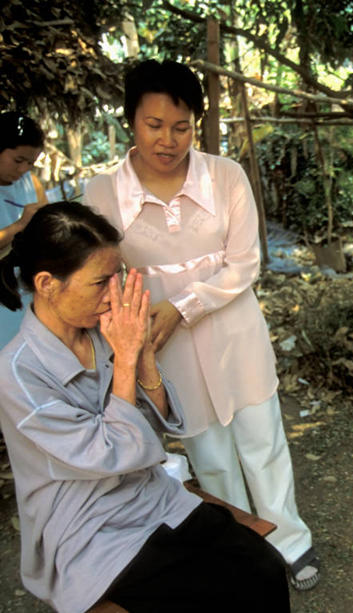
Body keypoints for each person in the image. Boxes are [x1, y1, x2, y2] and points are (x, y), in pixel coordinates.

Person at [83, 59, 319, 590]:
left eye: (182, 126)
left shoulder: (225, 176)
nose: (168, 139)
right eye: (154, 125)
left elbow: (245, 263)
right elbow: (101, 273)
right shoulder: (101, 194)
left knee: (263, 442)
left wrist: (182, 305)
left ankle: (291, 539)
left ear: (197, 124)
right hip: (164, 349)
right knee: (208, 456)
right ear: (131, 121)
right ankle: (242, 548)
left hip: (235, 334)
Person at [0, 202, 290, 613]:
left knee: (262, 568)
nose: (113, 294)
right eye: (100, 282)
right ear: (47, 283)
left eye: (117, 278)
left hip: (148, 496)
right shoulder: (16, 375)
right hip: (87, 526)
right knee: (206, 594)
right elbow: (110, 452)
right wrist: (125, 359)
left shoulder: (103, 331)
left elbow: (160, 424)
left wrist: (144, 357)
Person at [0, 111, 49, 349]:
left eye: (31, 162)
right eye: (18, 160)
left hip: (24, 290)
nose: (23, 169)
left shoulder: (31, 182)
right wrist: (19, 225)